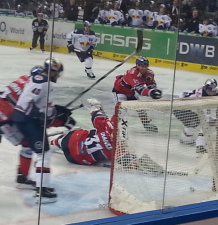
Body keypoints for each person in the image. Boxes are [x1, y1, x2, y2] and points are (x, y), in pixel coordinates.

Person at [11, 58, 73, 203]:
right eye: (57, 73)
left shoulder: (37, 77)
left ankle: (29, 180)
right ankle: (42, 191)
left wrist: (55, 112)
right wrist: (53, 114)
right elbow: (38, 107)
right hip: (28, 120)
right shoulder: (48, 83)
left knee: (37, 150)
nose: (58, 76)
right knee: (44, 154)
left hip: (22, 117)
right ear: (53, 72)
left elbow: (39, 105)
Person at [50, 98, 164, 175]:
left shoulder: (107, 126)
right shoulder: (120, 150)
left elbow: (95, 113)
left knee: (85, 134)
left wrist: (96, 105)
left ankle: (54, 143)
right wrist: (146, 167)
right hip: (76, 159)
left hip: (70, 140)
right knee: (102, 146)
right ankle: (57, 142)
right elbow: (131, 165)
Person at [112, 56, 162, 132]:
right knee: (121, 111)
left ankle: (146, 124)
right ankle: (116, 128)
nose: (144, 68)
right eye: (142, 66)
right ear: (137, 66)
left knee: (140, 108)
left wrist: (155, 91)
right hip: (120, 91)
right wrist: (151, 93)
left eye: (146, 66)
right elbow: (140, 90)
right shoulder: (132, 73)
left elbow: (151, 86)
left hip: (130, 92)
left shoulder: (150, 73)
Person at [174, 79, 218, 152]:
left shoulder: (211, 93)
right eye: (210, 90)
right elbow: (207, 117)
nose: (212, 92)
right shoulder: (199, 96)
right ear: (206, 89)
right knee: (194, 123)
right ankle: (186, 139)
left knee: (206, 122)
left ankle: (192, 141)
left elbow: (211, 112)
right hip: (180, 108)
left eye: (214, 89)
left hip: (191, 108)